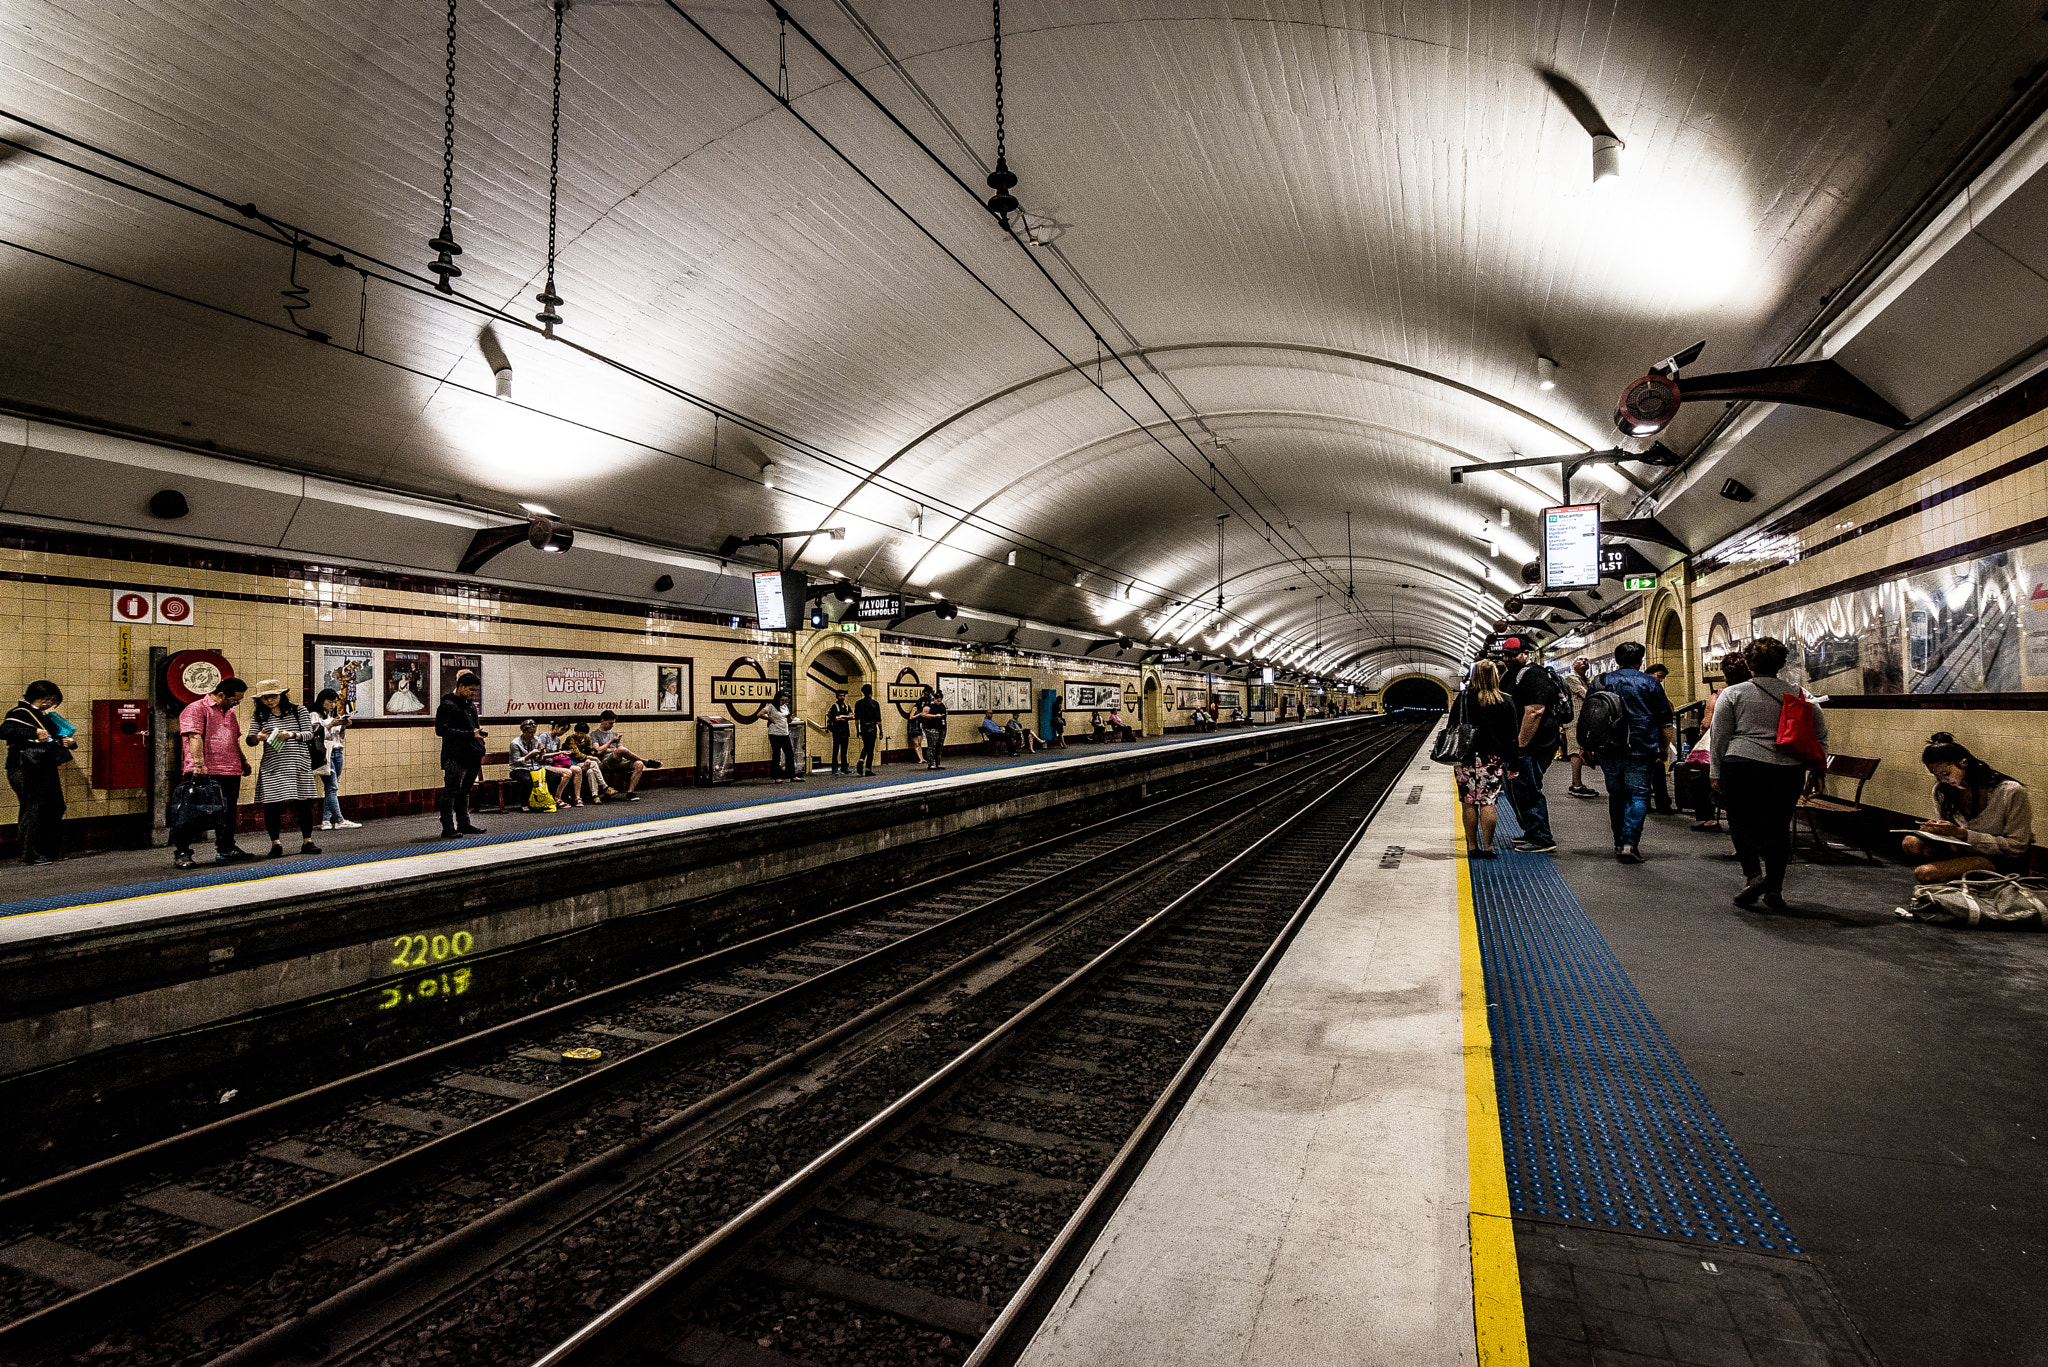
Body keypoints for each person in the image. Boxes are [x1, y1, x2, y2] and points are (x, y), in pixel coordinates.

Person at [1709, 637, 1823, 910]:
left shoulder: (1733, 694)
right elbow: (1818, 732)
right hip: (1787, 770)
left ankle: (1754, 876)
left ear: (1747, 663)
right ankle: (1775, 889)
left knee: (1741, 822)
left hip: (1742, 765)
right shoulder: (1799, 693)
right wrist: (1818, 770)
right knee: (1777, 827)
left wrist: (1715, 772)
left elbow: (1719, 737)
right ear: (1782, 664)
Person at [1902, 733, 2034, 882]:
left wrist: (1963, 834)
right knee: (1910, 843)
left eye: (1946, 773)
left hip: (2001, 857)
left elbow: (2016, 847)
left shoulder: (2009, 791)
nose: (1943, 780)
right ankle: (1957, 875)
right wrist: (1937, 831)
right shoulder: (1942, 790)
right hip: (1963, 849)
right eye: (1937, 776)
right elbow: (1951, 836)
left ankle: (1963, 876)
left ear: (1964, 763)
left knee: (1925, 873)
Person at [1590, 643, 1675, 864]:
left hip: (1608, 747)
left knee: (1616, 794)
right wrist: (1665, 747)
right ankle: (1629, 844)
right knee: (1637, 795)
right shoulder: (1651, 683)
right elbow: (1665, 720)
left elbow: (1591, 715)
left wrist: (1587, 746)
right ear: (1640, 661)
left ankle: (1618, 842)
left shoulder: (1600, 681)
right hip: (1641, 746)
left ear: (1617, 660)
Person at [173, 677, 253, 869]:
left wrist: (243, 761)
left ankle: (226, 847)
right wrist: (199, 764)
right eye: (235, 699)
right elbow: (194, 736)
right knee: (191, 812)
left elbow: (234, 739)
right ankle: (182, 852)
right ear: (221, 695)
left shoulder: (230, 713)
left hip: (230, 769)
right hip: (205, 770)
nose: (237, 703)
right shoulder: (196, 708)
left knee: (228, 812)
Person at [245, 681, 323, 858]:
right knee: (272, 804)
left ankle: (307, 841)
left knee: (303, 802)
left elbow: (309, 734)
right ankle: (276, 844)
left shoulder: (298, 710)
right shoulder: (260, 715)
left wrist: (291, 735)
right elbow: (250, 740)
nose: (270, 700)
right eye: (265, 697)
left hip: (298, 762)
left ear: (281, 695)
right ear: (260, 699)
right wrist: (258, 737)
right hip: (273, 764)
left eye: (274, 696)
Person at [1451, 660, 1520, 858]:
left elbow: (1452, 725)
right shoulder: (1506, 701)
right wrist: (1513, 763)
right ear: (1496, 676)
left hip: (1465, 758)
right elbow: (1511, 736)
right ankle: (1488, 847)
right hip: (1492, 759)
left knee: (1469, 802)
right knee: (1488, 802)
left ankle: (1472, 846)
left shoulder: (1463, 698)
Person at [1499, 637, 1561, 855]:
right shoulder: (1511, 674)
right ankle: (1531, 831)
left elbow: (1534, 711)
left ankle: (1542, 837)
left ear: (1526, 653)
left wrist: (1521, 746)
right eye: (1504, 654)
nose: (1507, 658)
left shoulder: (1534, 675)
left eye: (1512, 655)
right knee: (1515, 790)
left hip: (1532, 745)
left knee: (1527, 790)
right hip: (1517, 745)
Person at [3, 681, 76, 865]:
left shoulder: (41, 715)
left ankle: (48, 849)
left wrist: (69, 742)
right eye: (50, 699)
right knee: (32, 810)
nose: (51, 704)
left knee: (55, 806)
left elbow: (50, 738)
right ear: (40, 698)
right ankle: (31, 854)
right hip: (25, 767)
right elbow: (5, 730)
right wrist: (34, 731)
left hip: (44, 767)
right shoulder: (19, 713)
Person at [1686, 654, 1750, 832]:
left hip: (1725, 754)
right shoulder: (1758, 693)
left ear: (1726, 675)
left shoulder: (1721, 695)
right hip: (1755, 755)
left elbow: (1707, 725)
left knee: (1701, 779)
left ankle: (1709, 819)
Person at [434, 671, 488, 838]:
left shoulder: (470, 706)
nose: (473, 694)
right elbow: (441, 730)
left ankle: (464, 824)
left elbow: (473, 728)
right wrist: (470, 734)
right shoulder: (447, 705)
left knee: (464, 791)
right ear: (461, 686)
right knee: (451, 791)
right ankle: (448, 826)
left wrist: (478, 738)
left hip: (472, 754)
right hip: (455, 755)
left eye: (475, 691)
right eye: (471, 690)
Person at [313, 689, 360, 831]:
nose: (332, 705)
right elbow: (314, 733)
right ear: (322, 702)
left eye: (335, 702)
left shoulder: (334, 715)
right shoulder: (315, 715)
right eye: (330, 702)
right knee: (332, 786)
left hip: (337, 751)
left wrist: (343, 726)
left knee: (332, 787)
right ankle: (339, 820)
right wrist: (330, 724)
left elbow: (340, 737)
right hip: (324, 752)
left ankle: (326, 820)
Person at [589, 710, 645, 800]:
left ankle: (630, 793)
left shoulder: (614, 734)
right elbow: (598, 751)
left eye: (613, 723)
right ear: (602, 721)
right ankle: (645, 760)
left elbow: (620, 748)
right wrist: (611, 742)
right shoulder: (594, 734)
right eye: (610, 723)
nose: (612, 726)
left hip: (618, 760)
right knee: (620, 750)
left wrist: (613, 748)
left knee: (639, 764)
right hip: (605, 762)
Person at [1644, 663, 1677, 813]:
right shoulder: (1652, 687)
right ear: (1651, 673)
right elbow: (1665, 714)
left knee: (1646, 770)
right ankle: (1662, 804)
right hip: (1652, 734)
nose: (1661, 681)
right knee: (1656, 768)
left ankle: (1646, 804)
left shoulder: (1638, 685)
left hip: (1639, 734)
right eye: (1659, 677)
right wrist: (1665, 744)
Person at [1562, 657, 1597, 798]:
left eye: (1586, 660)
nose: (1584, 662)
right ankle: (1577, 785)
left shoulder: (1585, 679)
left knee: (1578, 750)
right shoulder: (1571, 678)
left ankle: (1576, 783)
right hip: (1574, 720)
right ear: (1573, 664)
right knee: (1575, 752)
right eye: (1580, 660)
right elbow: (1586, 695)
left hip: (1582, 721)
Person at [509, 719, 554, 812]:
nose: (532, 735)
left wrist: (541, 755)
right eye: (529, 732)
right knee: (527, 780)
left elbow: (538, 759)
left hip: (535, 767)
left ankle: (545, 799)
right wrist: (529, 755)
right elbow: (516, 761)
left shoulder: (536, 740)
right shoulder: (515, 743)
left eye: (533, 732)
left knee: (554, 777)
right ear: (524, 731)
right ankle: (525, 803)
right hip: (518, 768)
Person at [764, 691, 795, 782]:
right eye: (782, 700)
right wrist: (769, 718)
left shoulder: (785, 707)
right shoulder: (771, 706)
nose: (783, 702)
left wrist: (789, 717)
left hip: (785, 733)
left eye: (785, 700)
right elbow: (760, 714)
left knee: (790, 754)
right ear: (777, 699)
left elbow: (789, 721)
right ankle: (776, 777)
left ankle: (792, 775)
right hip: (774, 733)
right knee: (776, 755)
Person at [853, 684, 881, 776]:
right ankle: (868, 769)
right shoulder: (875, 704)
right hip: (872, 728)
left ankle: (861, 759)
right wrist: (881, 731)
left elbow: (856, 720)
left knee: (866, 745)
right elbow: (878, 720)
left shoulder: (858, 703)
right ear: (871, 692)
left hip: (863, 727)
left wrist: (857, 731)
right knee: (871, 748)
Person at [919, 688, 949, 769]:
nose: (939, 702)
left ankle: (938, 763)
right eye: (938, 701)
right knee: (932, 745)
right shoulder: (929, 706)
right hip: (931, 728)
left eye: (940, 700)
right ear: (934, 699)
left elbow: (945, 713)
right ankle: (931, 763)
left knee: (940, 746)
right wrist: (935, 716)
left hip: (941, 727)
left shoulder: (942, 705)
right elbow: (923, 715)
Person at [826, 689, 853, 775]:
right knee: (835, 751)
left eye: (843, 695)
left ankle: (844, 768)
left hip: (845, 731)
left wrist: (842, 716)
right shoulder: (834, 706)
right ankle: (834, 769)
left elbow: (852, 716)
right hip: (837, 732)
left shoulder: (847, 706)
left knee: (844, 751)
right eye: (840, 696)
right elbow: (836, 719)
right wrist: (846, 717)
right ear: (837, 696)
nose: (842, 697)